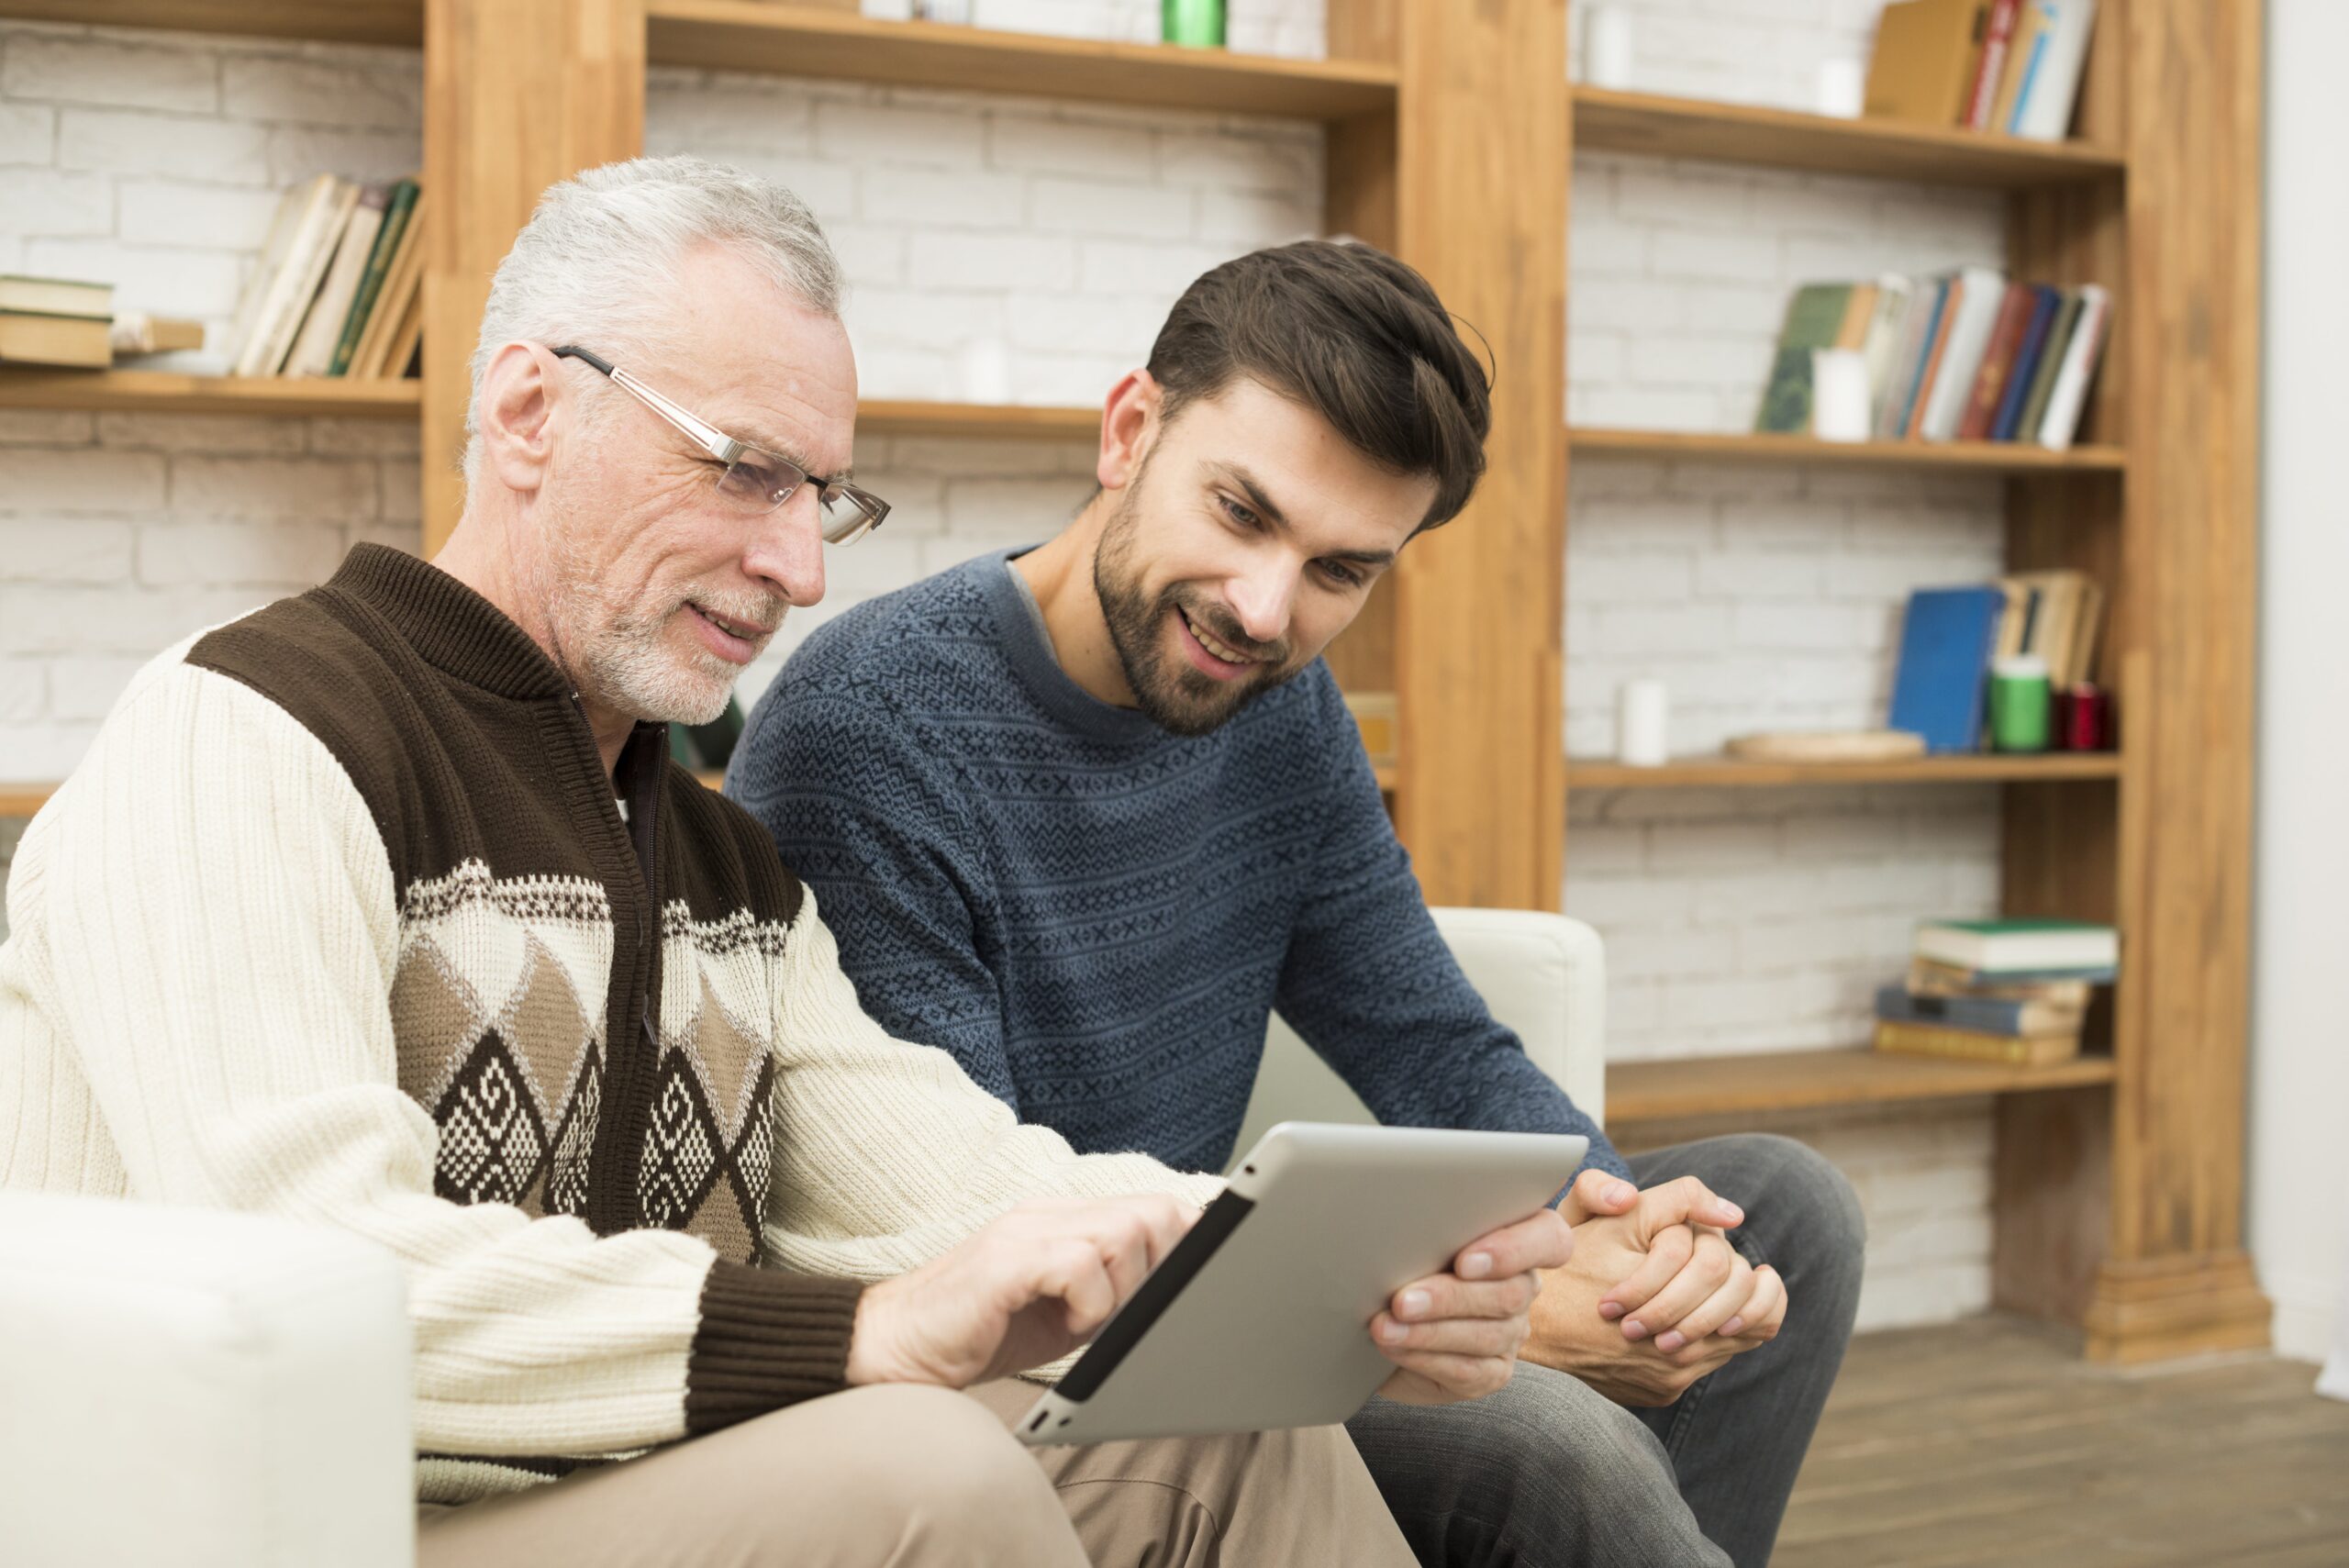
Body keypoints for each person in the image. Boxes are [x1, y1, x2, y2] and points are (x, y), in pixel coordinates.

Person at [0, 161, 1575, 1567]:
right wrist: (865, 1333)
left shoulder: (716, 861)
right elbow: (323, 1279)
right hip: (328, 1515)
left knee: (1218, 1429)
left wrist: (1331, 1285)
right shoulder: (251, 733)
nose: (801, 565)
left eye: (819, 495)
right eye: (743, 470)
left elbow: (956, 1176)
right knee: (928, 1463)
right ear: (532, 410)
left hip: (632, 1478)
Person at [736, 239, 1869, 1567]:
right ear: (1128, 432)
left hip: (1227, 1279)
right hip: (1051, 1369)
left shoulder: (1276, 705)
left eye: (1343, 570)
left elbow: (1427, 1038)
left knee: (1785, 1211)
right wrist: (1472, 1313)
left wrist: (1613, 1234)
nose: (1264, 608)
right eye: (1241, 511)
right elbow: (978, 1227)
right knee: (1563, 1443)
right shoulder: (871, 724)